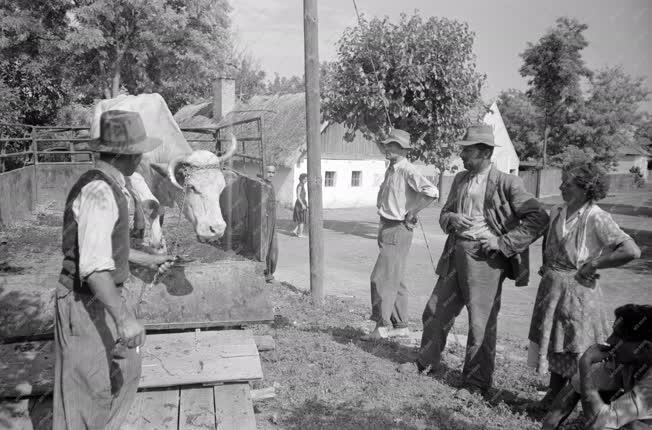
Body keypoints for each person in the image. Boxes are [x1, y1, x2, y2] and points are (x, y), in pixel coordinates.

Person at [54, 110, 175, 430]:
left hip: (102, 296)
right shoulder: (99, 192)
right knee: (86, 392)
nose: (142, 157)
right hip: (84, 300)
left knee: (128, 368)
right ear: (127, 154)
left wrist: (142, 259)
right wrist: (124, 317)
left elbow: (99, 250)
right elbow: (93, 269)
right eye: (139, 150)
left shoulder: (112, 186)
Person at [417, 124, 549, 395]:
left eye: (468, 151)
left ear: (485, 152)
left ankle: (475, 384)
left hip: (486, 260)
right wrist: (452, 218)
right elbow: (445, 213)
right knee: (435, 310)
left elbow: (539, 218)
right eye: (463, 150)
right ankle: (425, 363)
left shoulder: (508, 183)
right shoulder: (460, 179)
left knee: (481, 322)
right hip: (456, 253)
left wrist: (503, 243)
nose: (462, 155)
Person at [527, 161, 642, 409]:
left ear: (585, 188)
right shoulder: (558, 210)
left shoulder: (597, 217)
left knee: (577, 349)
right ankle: (552, 397)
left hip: (578, 294)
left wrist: (595, 264)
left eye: (567, 184)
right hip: (553, 290)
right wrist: (547, 266)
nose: (561, 187)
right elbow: (551, 241)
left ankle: (578, 405)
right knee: (557, 346)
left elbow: (631, 250)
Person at [363, 128, 439, 340]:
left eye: (392, 145)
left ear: (403, 149)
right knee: (396, 277)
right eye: (387, 144)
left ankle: (381, 327)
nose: (387, 148)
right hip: (387, 225)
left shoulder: (407, 169)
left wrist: (412, 212)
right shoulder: (392, 168)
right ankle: (401, 325)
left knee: (381, 278)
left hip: (398, 228)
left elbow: (432, 192)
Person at [542, 304, 652, 430]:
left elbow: (600, 423)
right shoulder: (624, 361)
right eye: (612, 333)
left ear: (645, 347)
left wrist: (585, 364)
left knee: (634, 424)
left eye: (618, 336)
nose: (609, 340)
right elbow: (574, 390)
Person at [263, 165, 278, 283]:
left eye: (273, 172)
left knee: (273, 245)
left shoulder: (271, 184)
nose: (271, 174)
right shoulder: (262, 185)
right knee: (266, 244)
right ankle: (266, 273)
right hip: (265, 218)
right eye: (268, 172)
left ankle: (269, 271)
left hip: (272, 217)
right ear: (264, 171)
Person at [292, 173, 308, 237]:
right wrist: (302, 204)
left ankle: (295, 231)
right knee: (302, 220)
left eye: (306, 179)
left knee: (301, 219)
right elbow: (298, 196)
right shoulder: (300, 186)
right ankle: (300, 234)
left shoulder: (302, 185)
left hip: (301, 203)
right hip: (300, 204)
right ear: (301, 179)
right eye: (305, 179)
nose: (306, 180)